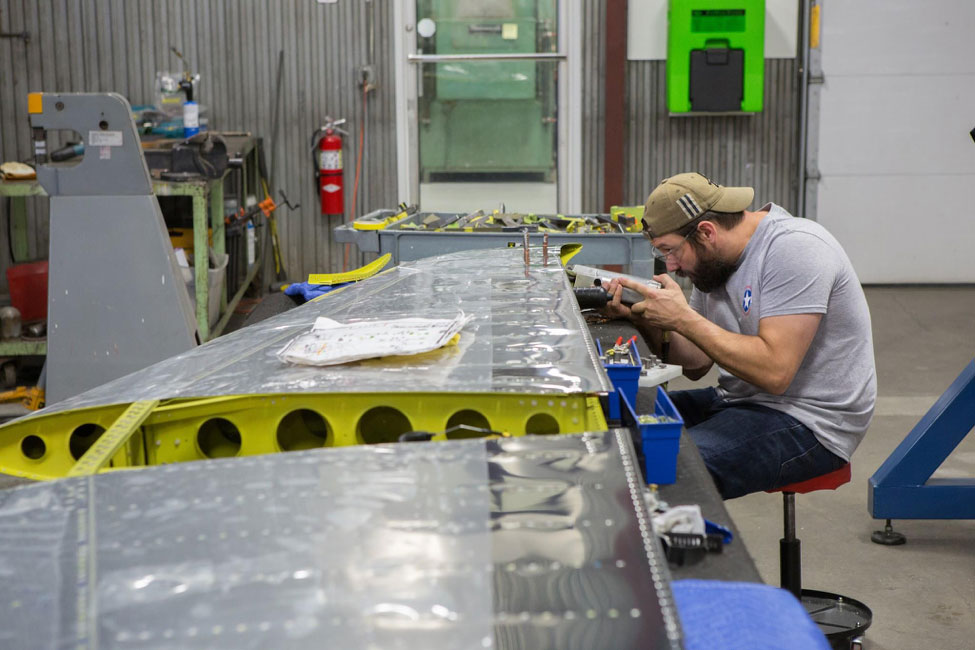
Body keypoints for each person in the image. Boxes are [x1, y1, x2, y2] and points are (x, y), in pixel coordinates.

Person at [603, 172, 876, 499]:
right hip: (738, 399)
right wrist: (647, 319)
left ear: (706, 232)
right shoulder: (713, 263)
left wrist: (684, 319)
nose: (671, 265)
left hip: (811, 422)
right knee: (609, 423)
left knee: (657, 468)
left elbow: (775, 372)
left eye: (671, 250)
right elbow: (697, 362)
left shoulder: (795, 249)